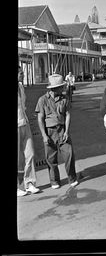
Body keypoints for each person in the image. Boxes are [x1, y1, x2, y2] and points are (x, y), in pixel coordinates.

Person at [35, 74, 78, 189]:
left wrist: (66, 131)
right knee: (51, 159)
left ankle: (72, 178)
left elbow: (68, 114)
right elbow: (40, 119)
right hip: (49, 132)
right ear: (54, 88)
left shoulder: (64, 99)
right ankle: (54, 181)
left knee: (69, 154)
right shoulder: (42, 100)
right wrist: (44, 135)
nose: (63, 88)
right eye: (61, 87)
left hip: (62, 129)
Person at [18, 66, 40, 197]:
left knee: (30, 153)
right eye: (21, 73)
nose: (23, 75)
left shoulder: (21, 87)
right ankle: (18, 186)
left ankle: (30, 182)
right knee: (18, 158)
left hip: (24, 123)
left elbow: (23, 106)